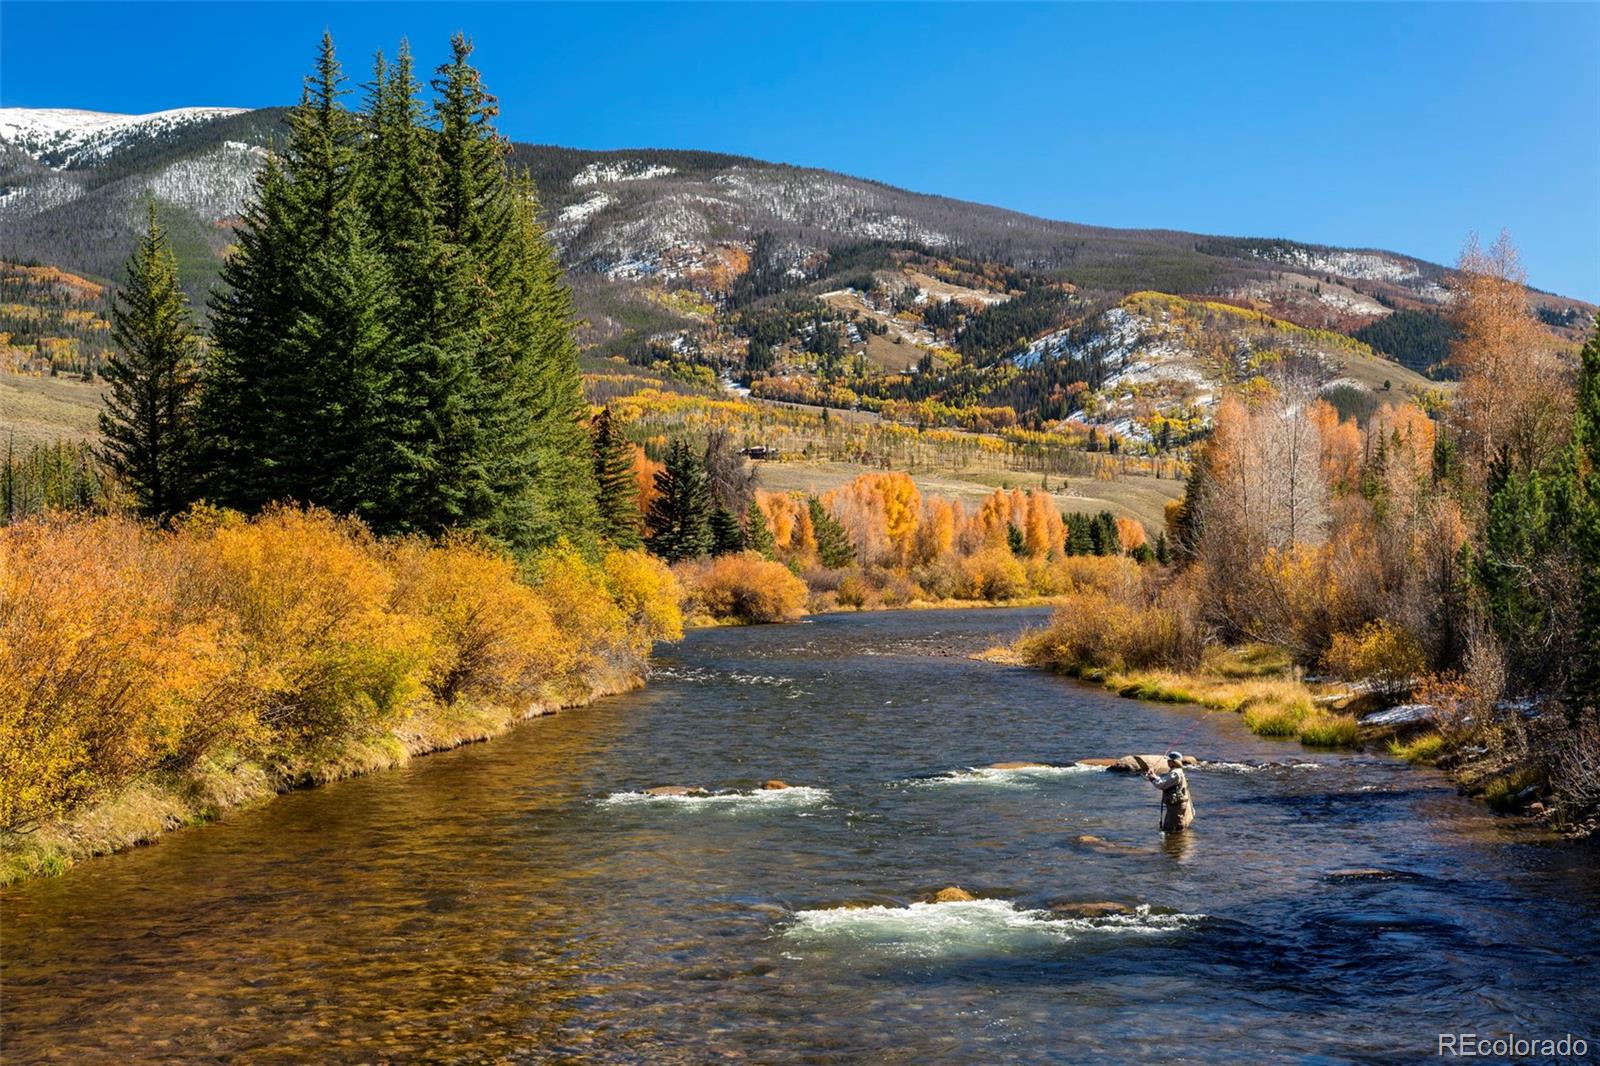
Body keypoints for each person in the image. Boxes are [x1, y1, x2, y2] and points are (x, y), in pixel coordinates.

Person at [1145, 750, 1194, 832]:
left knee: (1169, 829)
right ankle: (1178, 839)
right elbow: (1166, 781)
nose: (1167, 762)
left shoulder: (1175, 773)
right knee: (1175, 827)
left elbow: (1161, 785)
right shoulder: (1177, 771)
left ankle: (1176, 840)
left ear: (1174, 762)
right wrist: (1154, 776)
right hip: (1177, 805)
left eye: (1169, 760)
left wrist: (1151, 778)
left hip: (1176, 806)